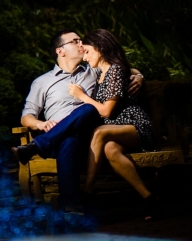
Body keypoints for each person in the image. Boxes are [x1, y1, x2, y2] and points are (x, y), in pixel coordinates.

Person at [11, 29, 144, 210]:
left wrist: (138, 76)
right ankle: (72, 207)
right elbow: (26, 116)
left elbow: (119, 68)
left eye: (81, 41)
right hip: (59, 142)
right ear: (60, 50)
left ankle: (36, 146)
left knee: (88, 108)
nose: (81, 44)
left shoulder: (93, 69)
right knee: (69, 140)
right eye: (75, 41)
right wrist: (40, 124)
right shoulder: (42, 82)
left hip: (90, 139)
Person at [67, 29, 158, 220]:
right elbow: (131, 70)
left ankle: (87, 193)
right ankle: (148, 197)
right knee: (110, 150)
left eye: (88, 52)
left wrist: (82, 96)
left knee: (99, 133)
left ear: (100, 48)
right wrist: (138, 74)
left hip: (135, 125)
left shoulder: (115, 69)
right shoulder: (102, 72)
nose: (85, 58)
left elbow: (106, 111)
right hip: (116, 131)